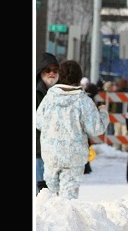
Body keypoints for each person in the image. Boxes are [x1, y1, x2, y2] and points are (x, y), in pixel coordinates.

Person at [35, 60, 109, 200]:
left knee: (48, 195)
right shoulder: (83, 101)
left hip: (51, 154)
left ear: (60, 76)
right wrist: (103, 112)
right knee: (68, 199)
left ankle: (46, 219)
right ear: (79, 78)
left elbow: (38, 123)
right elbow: (96, 128)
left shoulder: (49, 98)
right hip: (73, 156)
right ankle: (66, 219)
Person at [36, 52, 59, 194]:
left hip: (55, 152)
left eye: (55, 71)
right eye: (47, 70)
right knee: (41, 193)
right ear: (40, 72)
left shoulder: (59, 92)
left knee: (51, 194)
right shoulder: (36, 92)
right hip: (38, 150)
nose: (51, 73)